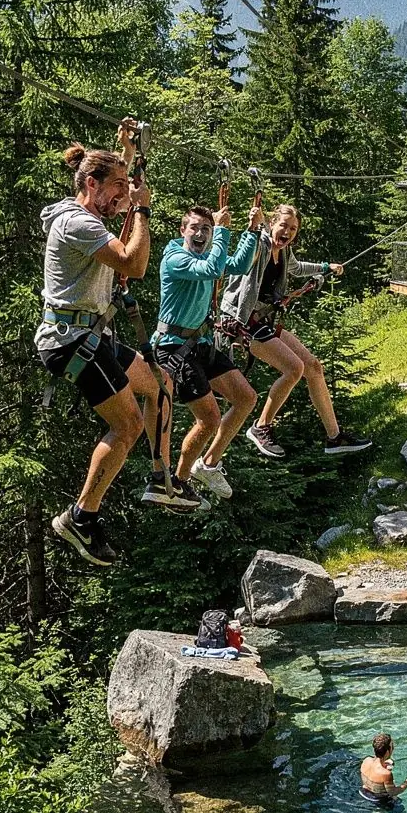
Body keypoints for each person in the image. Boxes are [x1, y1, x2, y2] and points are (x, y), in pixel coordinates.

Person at [36, 130, 185, 569]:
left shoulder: (90, 212)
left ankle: (161, 477)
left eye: (126, 188)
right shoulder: (77, 223)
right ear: (91, 185)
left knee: (161, 383)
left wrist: (129, 154)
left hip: (90, 334)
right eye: (116, 188)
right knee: (128, 426)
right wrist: (142, 207)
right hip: (71, 341)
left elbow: (114, 204)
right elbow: (134, 264)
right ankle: (82, 516)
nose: (123, 195)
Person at [219, 204, 371, 460]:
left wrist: (325, 267)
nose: (287, 232)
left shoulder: (283, 251)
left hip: (263, 320)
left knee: (313, 366)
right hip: (243, 323)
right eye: (283, 226)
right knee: (293, 369)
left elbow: (297, 268)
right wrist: (253, 227)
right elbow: (245, 260)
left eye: (293, 229)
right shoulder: (261, 246)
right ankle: (261, 427)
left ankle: (334, 437)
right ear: (271, 225)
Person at [153, 200, 264, 504]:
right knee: (209, 420)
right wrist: (224, 230)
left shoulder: (205, 253)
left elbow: (239, 265)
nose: (200, 234)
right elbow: (213, 268)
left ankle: (209, 463)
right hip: (174, 347)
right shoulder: (176, 258)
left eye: (206, 229)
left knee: (246, 397)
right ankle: (178, 481)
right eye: (195, 228)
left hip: (200, 344)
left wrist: (252, 230)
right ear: (182, 230)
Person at [360, 732, 407, 806]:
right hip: (378, 799)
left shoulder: (366, 760)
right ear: (387, 752)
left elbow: (372, 775)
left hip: (364, 792)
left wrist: (383, 765)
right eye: (392, 747)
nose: (393, 748)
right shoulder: (386, 774)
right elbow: (393, 792)